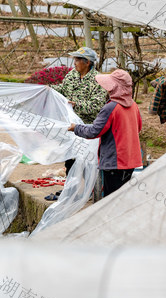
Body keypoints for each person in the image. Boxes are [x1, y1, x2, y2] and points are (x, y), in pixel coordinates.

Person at [66, 69, 143, 198]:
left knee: (111, 200)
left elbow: (94, 131)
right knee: (122, 197)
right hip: (130, 160)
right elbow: (138, 127)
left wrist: (76, 128)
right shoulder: (133, 105)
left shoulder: (111, 107)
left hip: (115, 162)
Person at [50, 47, 107, 178]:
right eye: (74, 59)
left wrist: (77, 105)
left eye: (77, 60)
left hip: (87, 129)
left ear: (88, 62)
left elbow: (97, 105)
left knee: (87, 163)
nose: (74, 63)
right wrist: (50, 90)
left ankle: (89, 188)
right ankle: (71, 187)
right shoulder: (72, 75)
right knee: (70, 161)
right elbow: (63, 90)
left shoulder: (98, 80)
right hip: (71, 127)